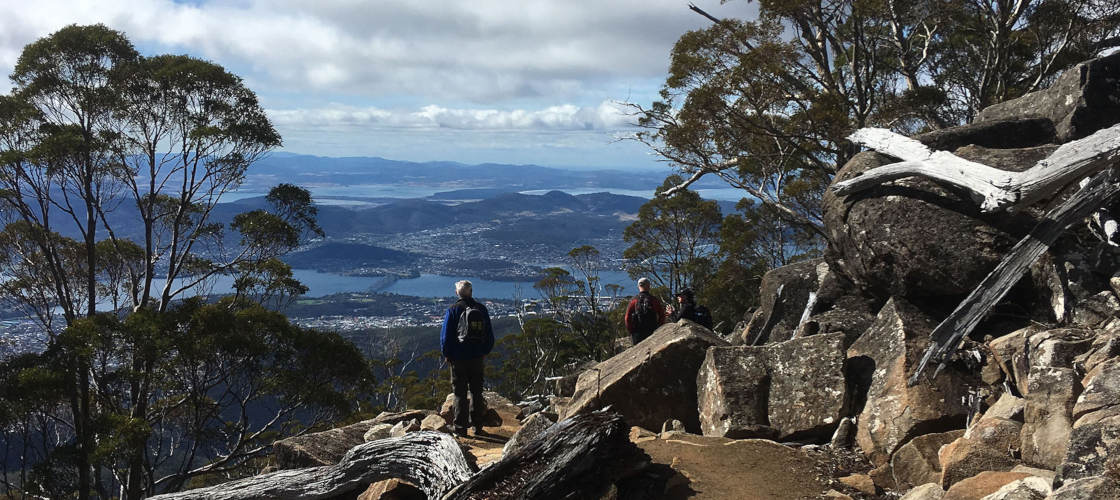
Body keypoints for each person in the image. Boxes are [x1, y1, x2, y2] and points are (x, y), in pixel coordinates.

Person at [439, 280, 495, 436]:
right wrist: (484, 351)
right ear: (471, 291)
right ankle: (477, 426)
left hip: (458, 359)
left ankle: (460, 428)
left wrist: (447, 354)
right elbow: (489, 335)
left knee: (460, 393)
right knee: (477, 392)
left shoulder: (453, 310)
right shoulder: (481, 309)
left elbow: (445, 337)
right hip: (477, 357)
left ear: (457, 293)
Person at [624, 277, 666, 345]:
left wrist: (631, 330)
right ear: (649, 286)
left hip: (637, 333)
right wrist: (658, 328)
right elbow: (662, 315)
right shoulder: (654, 300)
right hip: (652, 331)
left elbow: (627, 317)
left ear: (638, 286)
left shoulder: (634, 300)